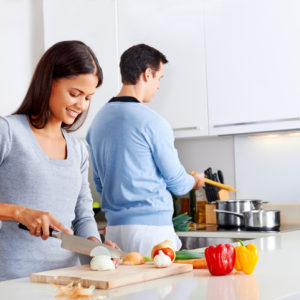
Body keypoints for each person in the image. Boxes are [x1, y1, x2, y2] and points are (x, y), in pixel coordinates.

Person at [0, 40, 119, 281]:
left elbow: (83, 215)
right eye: (74, 94)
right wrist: (19, 212)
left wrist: (97, 249)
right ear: (48, 81)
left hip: (68, 279)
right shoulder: (8, 132)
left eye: (88, 97)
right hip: (15, 281)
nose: (81, 105)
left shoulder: (78, 149)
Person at [86, 44, 205, 256]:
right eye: (159, 77)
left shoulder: (97, 123)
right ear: (147, 74)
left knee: (126, 289)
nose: (158, 85)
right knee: (160, 289)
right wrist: (195, 181)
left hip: (113, 232)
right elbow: (178, 183)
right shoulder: (153, 122)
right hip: (152, 232)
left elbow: (98, 182)